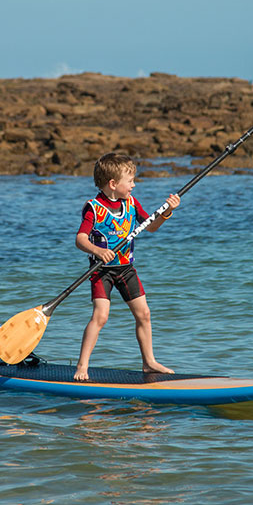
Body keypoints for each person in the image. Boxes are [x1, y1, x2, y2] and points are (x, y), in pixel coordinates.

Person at [73, 153, 180, 381]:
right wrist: (98, 251)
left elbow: (150, 227)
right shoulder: (94, 208)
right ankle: (82, 366)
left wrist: (167, 212)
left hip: (126, 269)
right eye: (130, 181)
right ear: (113, 184)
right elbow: (80, 239)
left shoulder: (131, 203)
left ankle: (149, 362)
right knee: (100, 316)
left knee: (144, 314)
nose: (134, 185)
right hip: (101, 271)